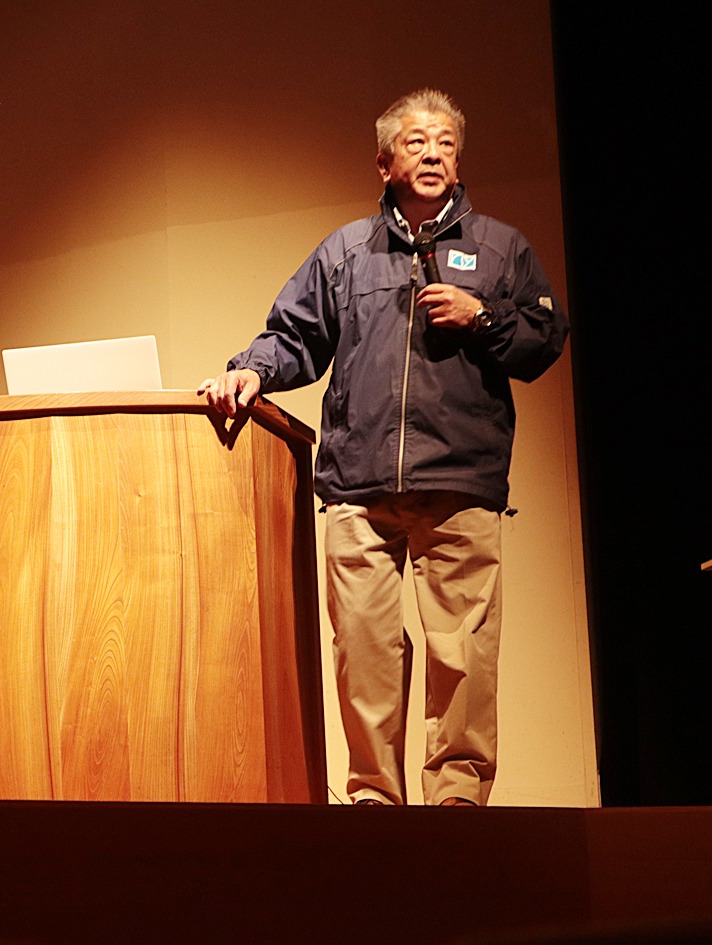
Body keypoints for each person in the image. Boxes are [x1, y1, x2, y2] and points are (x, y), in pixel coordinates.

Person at [198, 89, 569, 807]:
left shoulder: (499, 247)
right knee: (363, 653)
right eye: (416, 143)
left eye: (446, 145)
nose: (433, 154)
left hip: (460, 484)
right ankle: (374, 801)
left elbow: (543, 339)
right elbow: (294, 334)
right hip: (359, 488)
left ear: (459, 164)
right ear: (383, 162)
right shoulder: (345, 253)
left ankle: (456, 803)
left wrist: (482, 314)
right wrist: (250, 367)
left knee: (464, 657)